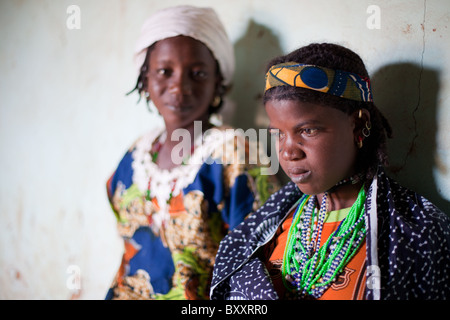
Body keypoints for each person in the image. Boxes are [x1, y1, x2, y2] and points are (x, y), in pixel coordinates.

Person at [210, 43, 450, 300]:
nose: (289, 152)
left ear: (359, 125)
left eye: (308, 130)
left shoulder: (416, 234)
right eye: (278, 134)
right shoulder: (270, 220)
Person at [105, 5, 278, 300]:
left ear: (218, 84)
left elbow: (258, 259)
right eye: (164, 71)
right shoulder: (136, 153)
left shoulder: (233, 153)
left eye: (197, 74)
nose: (179, 86)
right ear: (145, 79)